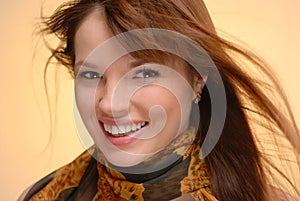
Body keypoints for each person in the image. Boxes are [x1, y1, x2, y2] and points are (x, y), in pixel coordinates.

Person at [19, 0, 299, 200]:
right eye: (91, 75)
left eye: (145, 73)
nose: (110, 104)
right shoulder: (41, 196)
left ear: (197, 77)